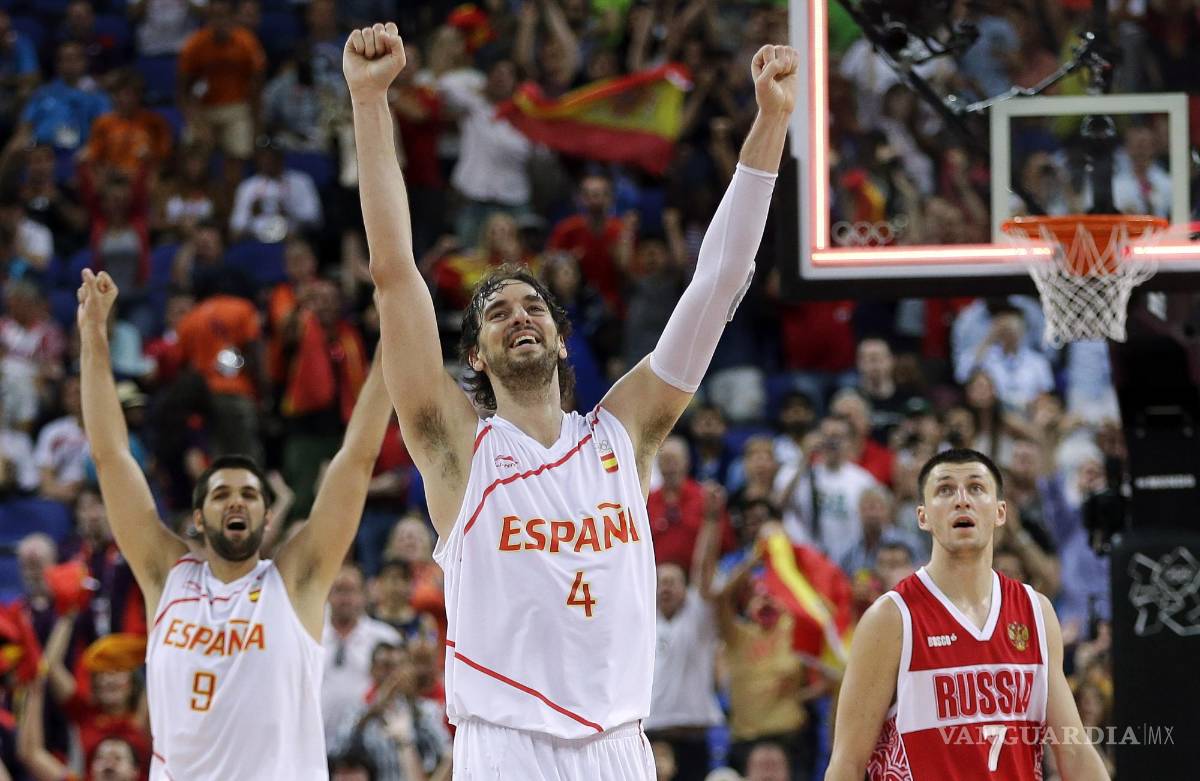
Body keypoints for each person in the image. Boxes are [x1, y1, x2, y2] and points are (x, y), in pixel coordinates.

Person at [346, 20, 798, 779]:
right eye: (496, 312)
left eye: (533, 307)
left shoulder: (625, 431)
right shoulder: (458, 445)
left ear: (560, 340)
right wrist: (369, 102)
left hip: (621, 743)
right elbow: (395, 274)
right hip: (503, 743)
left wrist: (772, 122)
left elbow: (717, 283)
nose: (518, 315)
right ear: (476, 356)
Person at [76, 267, 394, 780]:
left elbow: (356, 459)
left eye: (249, 494)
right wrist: (93, 337)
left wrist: (388, 342)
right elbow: (111, 457)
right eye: (221, 494)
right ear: (198, 518)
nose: (236, 502)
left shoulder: (296, 582)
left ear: (268, 517)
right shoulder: (167, 576)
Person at [824, 448, 1110, 780]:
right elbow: (847, 762)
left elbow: (1073, 749)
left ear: (1000, 512)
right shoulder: (891, 619)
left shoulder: (1036, 612)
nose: (962, 499)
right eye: (945, 489)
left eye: (976, 487)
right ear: (923, 517)